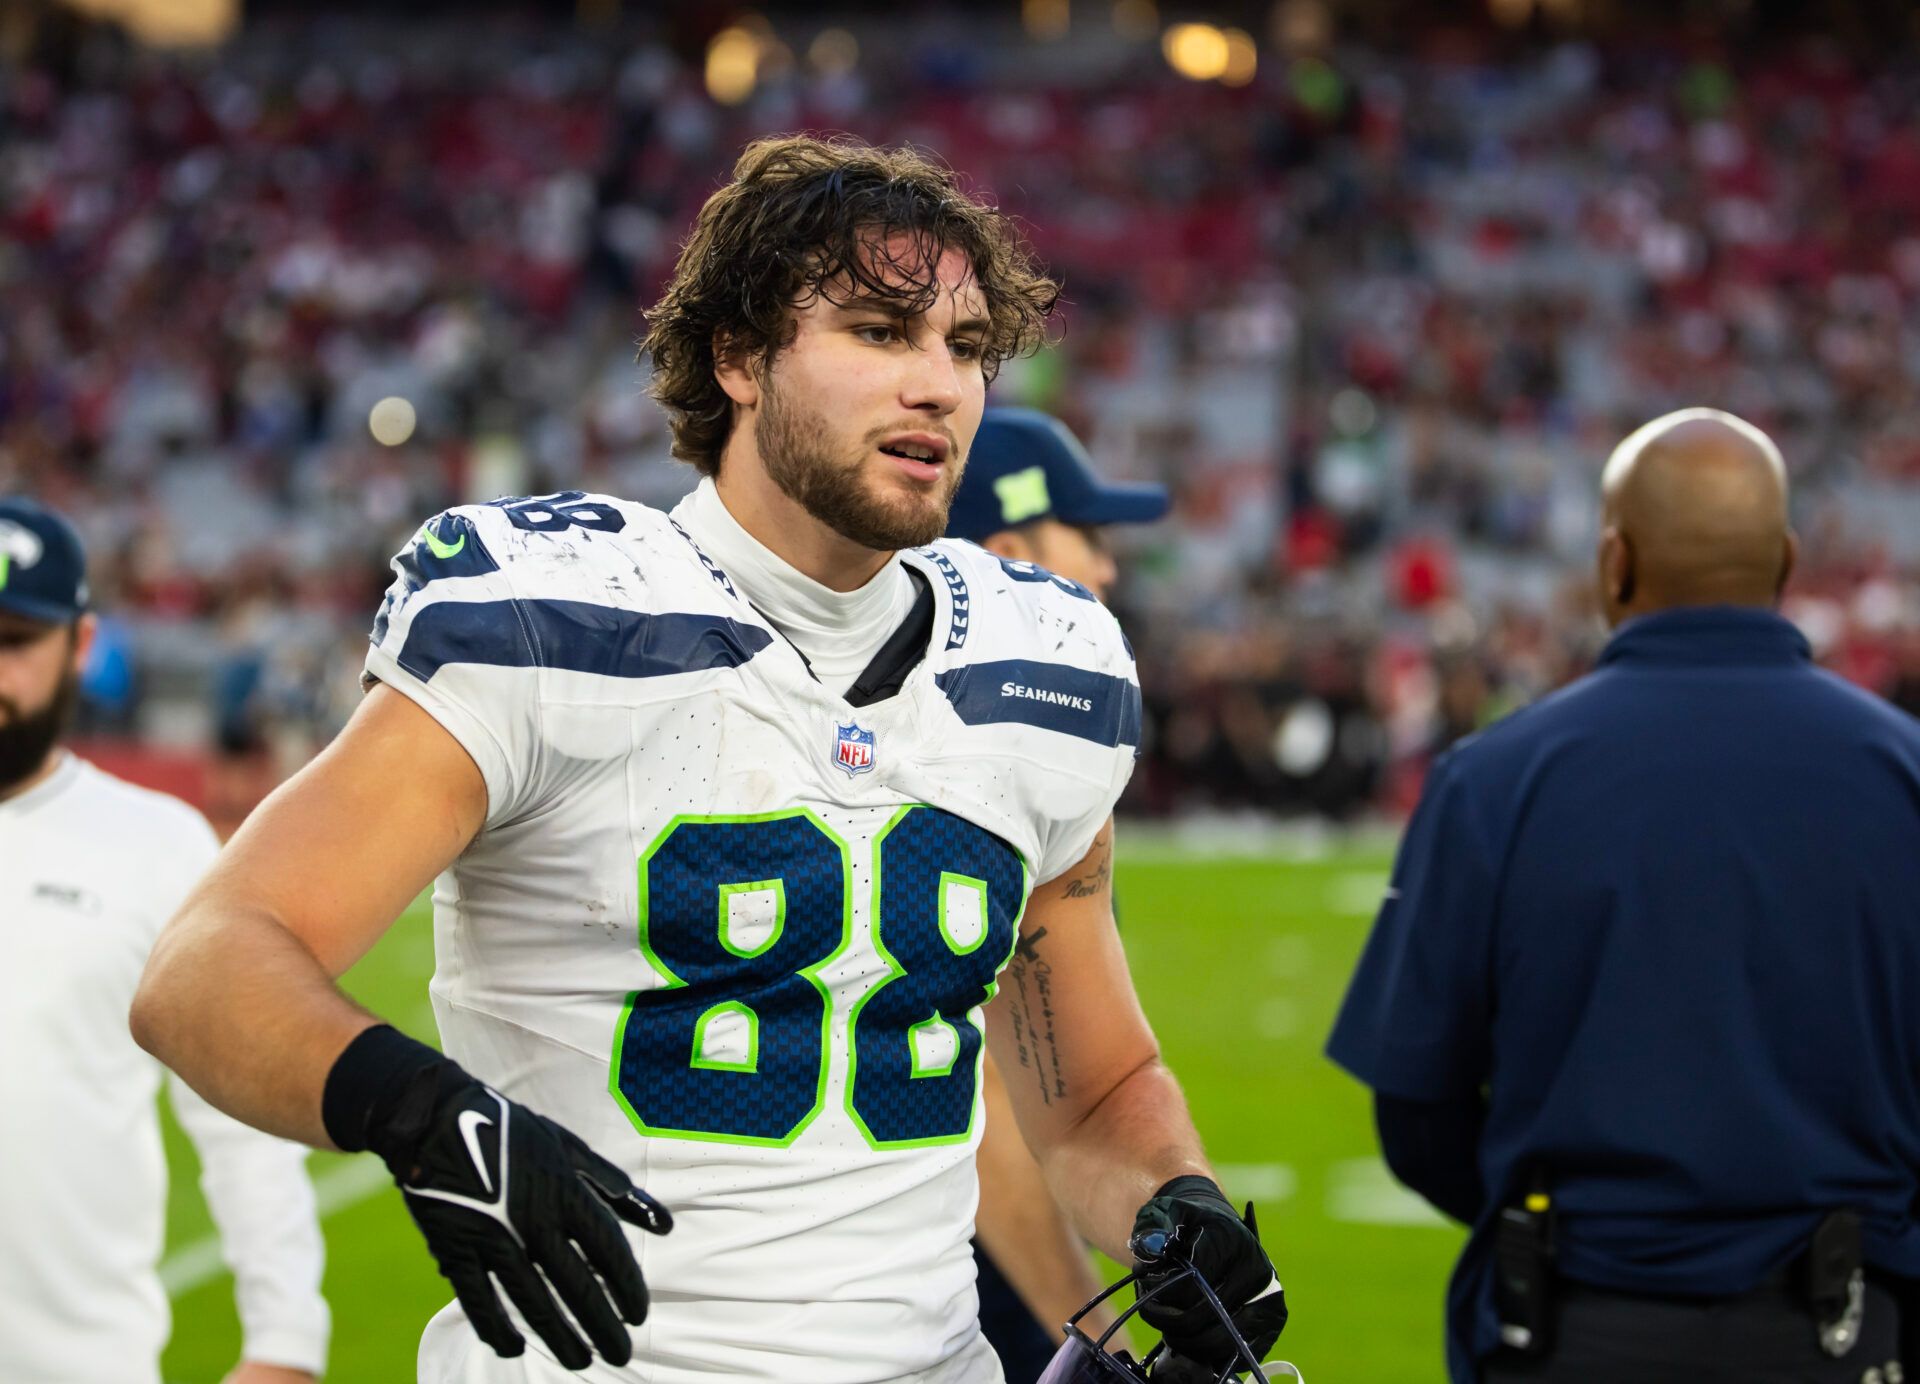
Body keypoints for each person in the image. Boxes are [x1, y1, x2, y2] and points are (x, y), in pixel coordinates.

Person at [131, 134, 1286, 1383]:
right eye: (881, 331)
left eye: (963, 348)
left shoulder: (1042, 658)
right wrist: (417, 1111)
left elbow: (1095, 1089)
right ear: (738, 356)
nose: (940, 386)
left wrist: (1178, 1206)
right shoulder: (552, 614)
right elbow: (205, 968)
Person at [1326, 407, 1920, 1383]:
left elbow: (1417, 1110)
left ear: (1613, 563)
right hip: (1845, 1327)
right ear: (1787, 560)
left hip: (1575, 1323)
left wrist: (1551, 1221)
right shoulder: (1905, 774)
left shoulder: (1494, 779)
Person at [0, 497, 330, 1384]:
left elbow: (239, 1119)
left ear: (80, 645)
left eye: (14, 641)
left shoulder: (155, 843)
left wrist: (285, 1338)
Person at [943, 408, 1170, 1379]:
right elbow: (983, 1104)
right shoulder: (976, 765)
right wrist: (1096, 1333)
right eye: (1087, 537)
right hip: (956, 1284)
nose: (1109, 570)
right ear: (1007, 553)